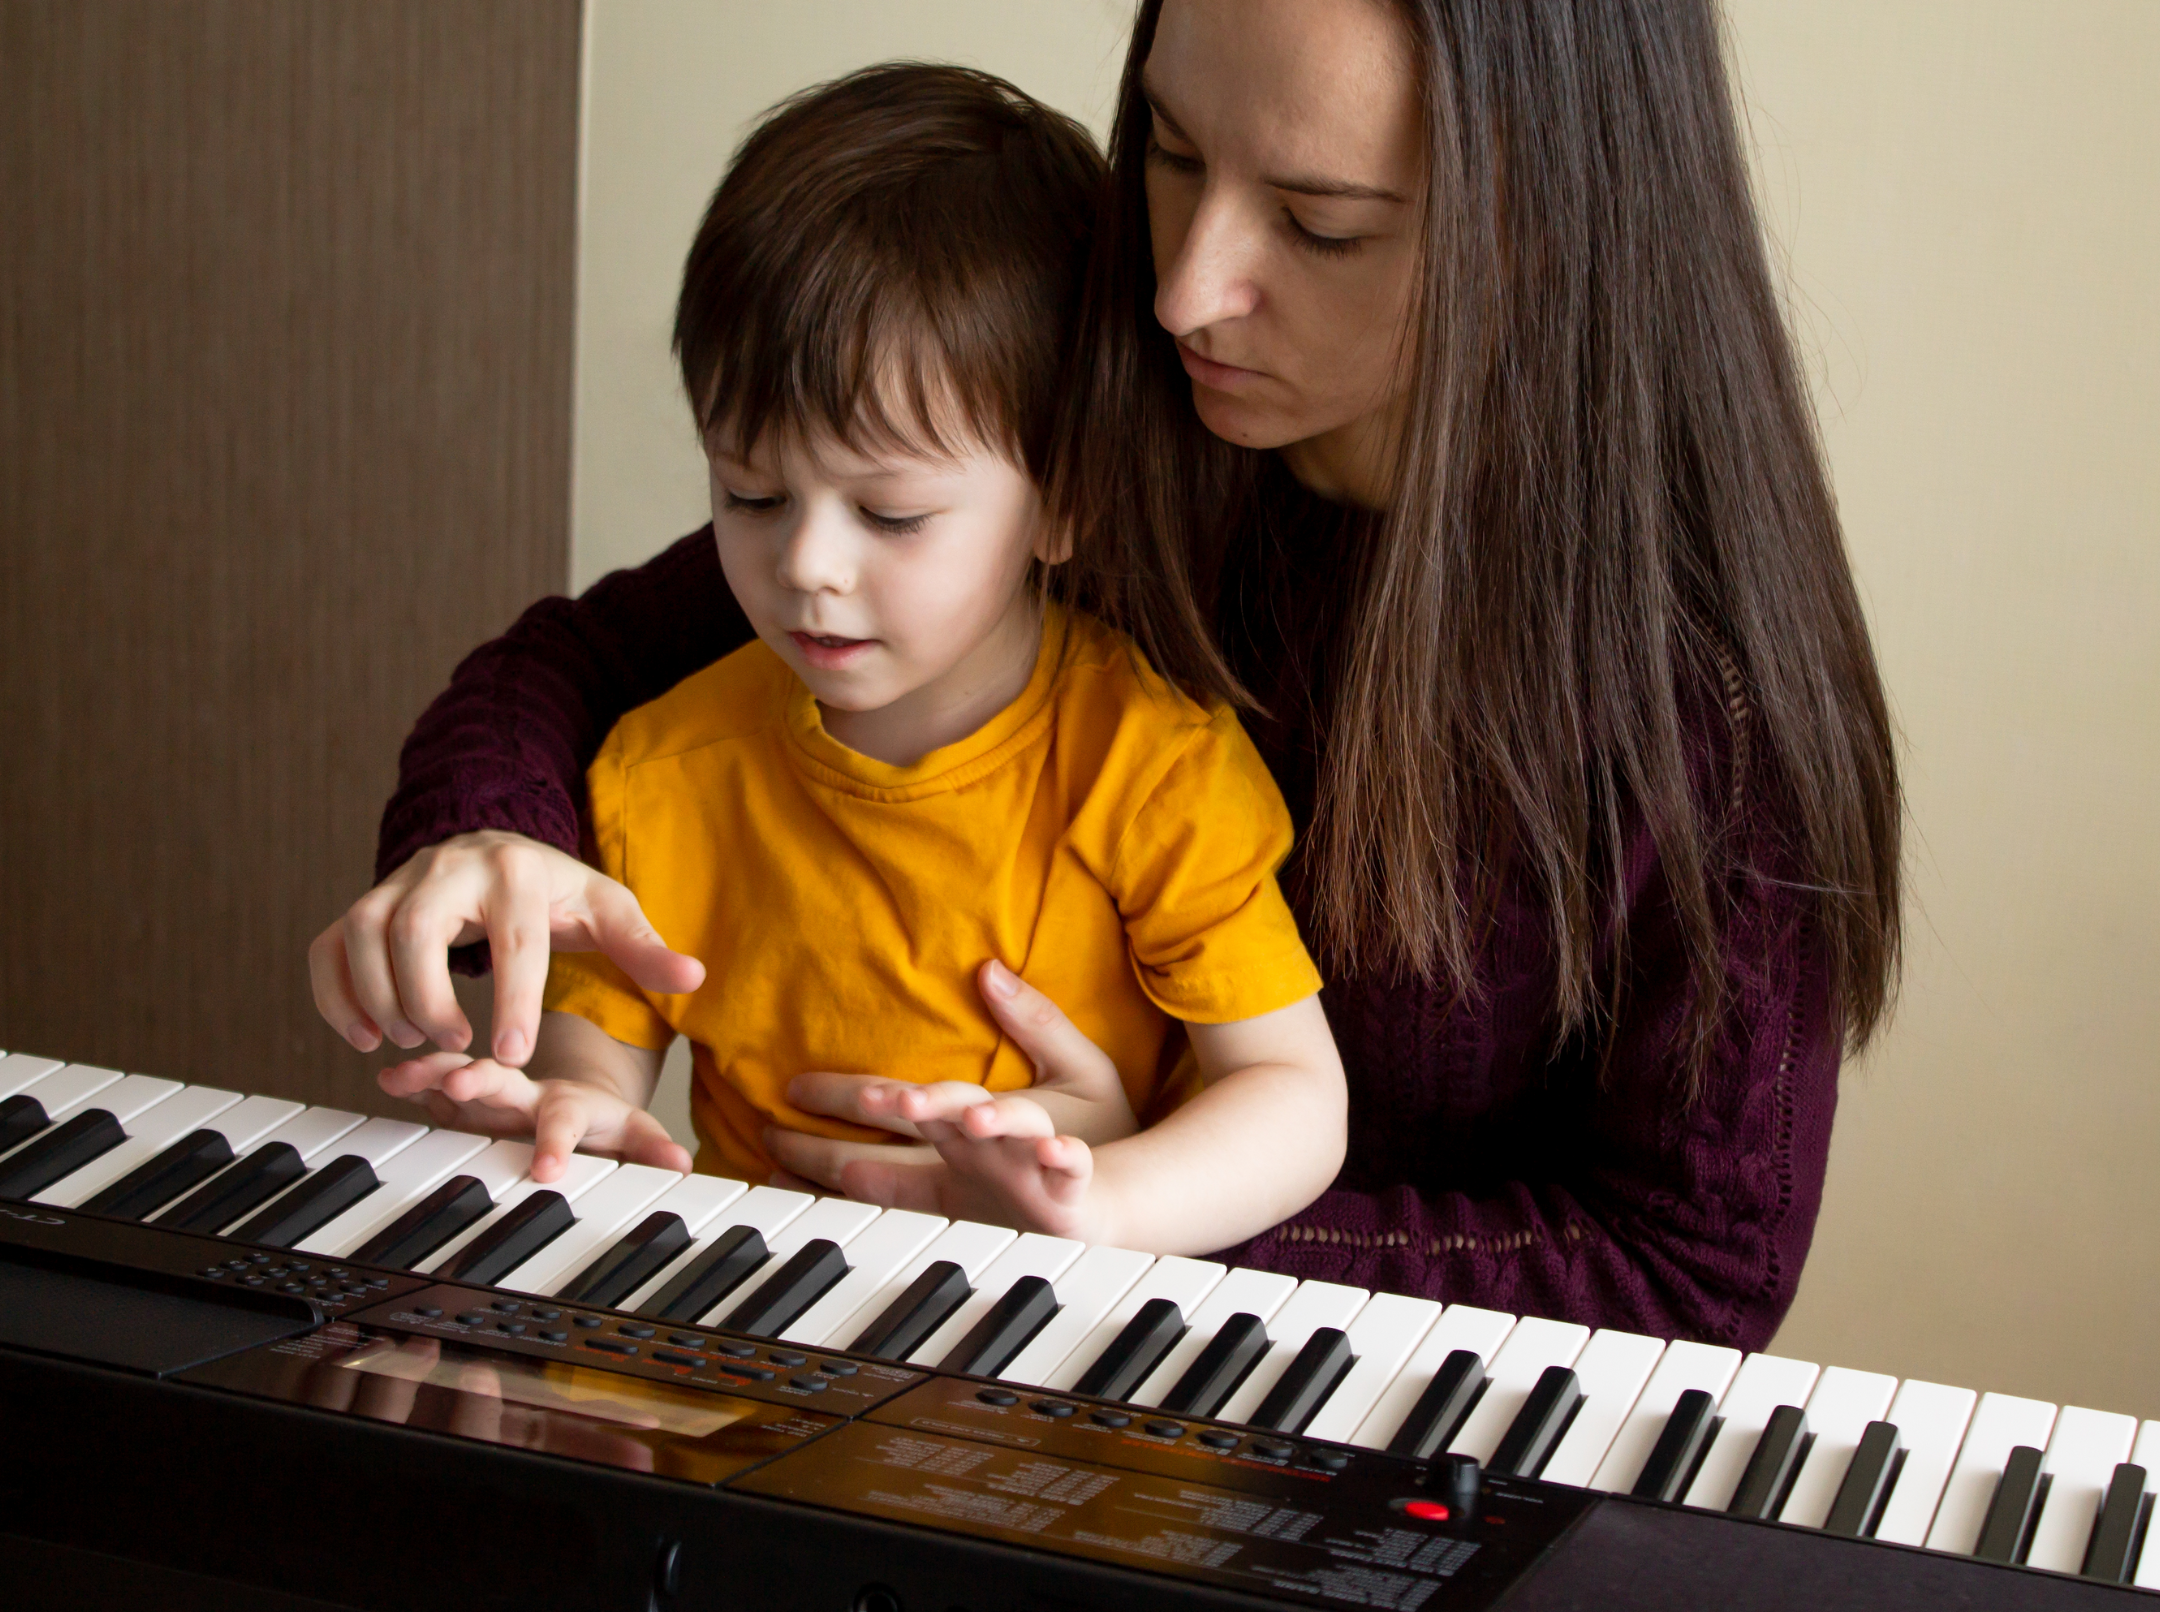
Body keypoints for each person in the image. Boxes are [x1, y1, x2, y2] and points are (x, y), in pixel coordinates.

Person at [313, 0, 1901, 1350]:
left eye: (1319, 222)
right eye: (1171, 150)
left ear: (1546, 236)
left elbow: (1690, 1276)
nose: (1181, 288)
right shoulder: (1107, 411)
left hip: (1339, 1428)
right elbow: (588, 661)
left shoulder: (1709, 709)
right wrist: (491, 842)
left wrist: (1142, 1197)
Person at [363, 65, 1347, 1256]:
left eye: (891, 516)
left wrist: (1107, 1200)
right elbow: (599, 1054)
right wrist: (575, 1112)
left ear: (1066, 501)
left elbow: (1294, 1099)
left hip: (1052, 1329)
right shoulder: (665, 764)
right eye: (751, 492)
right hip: (762, 1325)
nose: (808, 565)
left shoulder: (1154, 767)